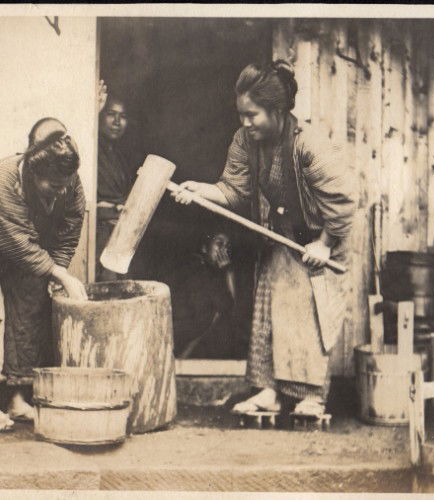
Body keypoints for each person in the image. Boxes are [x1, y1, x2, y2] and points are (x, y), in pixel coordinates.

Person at [173, 60, 356, 417]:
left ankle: (311, 396)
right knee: (268, 307)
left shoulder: (311, 145)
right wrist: (201, 191)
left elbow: (344, 202)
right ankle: (267, 392)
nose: (244, 122)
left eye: (252, 114)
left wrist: (326, 243)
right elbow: (233, 189)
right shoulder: (244, 141)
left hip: (322, 240)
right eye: (241, 114)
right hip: (283, 238)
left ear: (276, 111)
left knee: (309, 313)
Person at [0, 117, 87, 430]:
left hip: (34, 258)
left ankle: (17, 397)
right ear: (34, 172)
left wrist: (55, 271)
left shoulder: (68, 180)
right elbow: (15, 242)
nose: (62, 192)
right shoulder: (5, 179)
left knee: (30, 318)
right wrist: (61, 275)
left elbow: (69, 229)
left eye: (66, 185)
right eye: (54, 187)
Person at [164, 231, 236, 359]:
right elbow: (226, 307)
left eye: (227, 247)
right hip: (181, 335)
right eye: (219, 244)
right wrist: (226, 272)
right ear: (204, 247)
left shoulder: (210, 270)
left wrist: (226, 272)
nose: (224, 251)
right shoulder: (197, 268)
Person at [95, 82, 140, 281]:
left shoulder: (120, 155)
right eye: (111, 114)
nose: (117, 122)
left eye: (123, 117)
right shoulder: (93, 148)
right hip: (98, 235)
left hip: (120, 236)